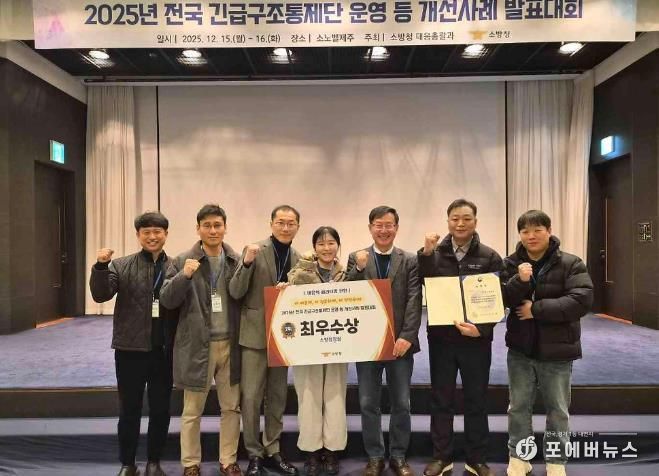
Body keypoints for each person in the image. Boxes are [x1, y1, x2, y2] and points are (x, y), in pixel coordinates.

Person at [501, 210, 593, 476]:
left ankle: (556, 460)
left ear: (549, 231)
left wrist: (536, 310)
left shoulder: (571, 263)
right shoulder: (511, 263)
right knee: (518, 407)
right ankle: (519, 456)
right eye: (525, 231)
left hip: (558, 350)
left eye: (537, 230)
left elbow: (581, 300)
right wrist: (520, 280)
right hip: (520, 349)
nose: (531, 236)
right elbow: (501, 298)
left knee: (558, 410)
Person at [417, 199, 502, 476]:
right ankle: (442, 457)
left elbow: (498, 299)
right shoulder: (433, 253)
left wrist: (482, 329)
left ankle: (476, 458)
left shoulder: (489, 256)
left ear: (475, 221)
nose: (460, 224)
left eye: (466, 218)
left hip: (476, 341)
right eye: (455, 218)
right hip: (441, 340)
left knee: (477, 399)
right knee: (441, 399)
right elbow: (422, 282)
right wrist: (426, 253)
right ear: (448, 222)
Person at [89, 211, 176, 476]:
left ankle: (153, 462)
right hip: (129, 350)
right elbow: (101, 295)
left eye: (157, 231)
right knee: (129, 410)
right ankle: (128, 463)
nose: (152, 236)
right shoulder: (121, 265)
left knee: (160, 409)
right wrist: (101, 267)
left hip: (164, 351)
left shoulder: (176, 267)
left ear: (166, 234)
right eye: (146, 232)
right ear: (138, 235)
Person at [159, 205, 242, 476]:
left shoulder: (236, 260)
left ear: (225, 228)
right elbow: (167, 300)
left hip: (231, 345)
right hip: (197, 346)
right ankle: (190, 464)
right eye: (207, 225)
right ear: (198, 229)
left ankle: (228, 461)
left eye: (218, 225)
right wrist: (185, 275)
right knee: (192, 410)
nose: (213, 230)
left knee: (231, 407)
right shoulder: (182, 260)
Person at [346, 206, 422, 476]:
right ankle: (375, 456)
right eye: (378, 225)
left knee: (402, 402)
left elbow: (415, 300)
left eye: (389, 225)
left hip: (400, 343)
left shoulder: (409, 259)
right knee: (368, 403)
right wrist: (358, 268)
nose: (384, 230)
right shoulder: (357, 257)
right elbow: (348, 293)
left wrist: (407, 336)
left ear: (396, 228)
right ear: (370, 228)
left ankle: (399, 456)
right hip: (367, 343)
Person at [229, 205, 302, 476]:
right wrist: (247, 263)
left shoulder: (300, 258)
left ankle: (273, 449)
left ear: (297, 227)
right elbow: (235, 291)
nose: (285, 227)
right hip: (255, 335)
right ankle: (254, 453)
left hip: (285, 337)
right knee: (251, 397)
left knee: (277, 396)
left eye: (291, 223)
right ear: (271, 223)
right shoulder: (254, 251)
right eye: (280, 222)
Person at [285, 226, 348, 476]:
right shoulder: (301, 270)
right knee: (308, 396)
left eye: (331, 243)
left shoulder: (347, 274)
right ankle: (311, 451)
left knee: (335, 396)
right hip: (306, 346)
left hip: (337, 344)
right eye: (321, 244)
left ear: (338, 246)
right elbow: (290, 290)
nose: (326, 248)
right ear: (314, 248)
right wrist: (301, 269)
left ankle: (332, 451)